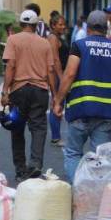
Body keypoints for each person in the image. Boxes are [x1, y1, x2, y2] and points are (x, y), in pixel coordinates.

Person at [54, 10, 111, 184]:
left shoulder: (79, 46)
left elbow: (69, 74)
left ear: (88, 28)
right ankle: (94, 196)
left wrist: (58, 101)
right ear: (107, 28)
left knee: (73, 153)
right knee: (100, 158)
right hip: (107, 114)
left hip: (81, 109)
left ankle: (78, 191)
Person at [1, 9, 58, 183]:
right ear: (35, 25)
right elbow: (50, 70)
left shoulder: (13, 40)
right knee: (39, 128)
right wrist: (55, 95)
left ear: (20, 24)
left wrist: (5, 91)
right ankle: (35, 165)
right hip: (39, 90)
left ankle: (20, 170)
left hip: (19, 90)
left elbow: (10, 66)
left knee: (17, 129)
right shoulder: (45, 43)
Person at [47, 14, 69, 147]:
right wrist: (62, 78)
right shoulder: (53, 38)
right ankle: (55, 137)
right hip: (57, 76)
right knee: (56, 103)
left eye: (63, 24)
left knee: (58, 104)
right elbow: (55, 60)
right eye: (60, 24)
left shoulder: (58, 37)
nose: (63, 26)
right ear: (53, 25)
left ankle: (56, 136)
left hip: (61, 75)